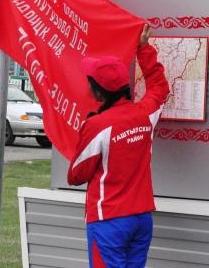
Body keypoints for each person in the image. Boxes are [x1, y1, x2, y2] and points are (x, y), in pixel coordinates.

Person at [67, 24, 169, 268]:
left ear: (99, 92)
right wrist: (144, 50)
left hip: (108, 221)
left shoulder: (97, 125)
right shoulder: (145, 113)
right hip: (141, 218)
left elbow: (75, 175)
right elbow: (160, 88)